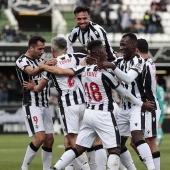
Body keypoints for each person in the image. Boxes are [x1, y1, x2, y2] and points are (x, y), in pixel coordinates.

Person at [37, 40, 155, 170]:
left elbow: (64, 72)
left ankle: (55, 168)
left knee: (78, 148)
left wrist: (43, 66)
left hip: (89, 114)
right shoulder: (106, 73)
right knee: (115, 149)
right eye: (104, 51)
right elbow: (124, 93)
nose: (106, 53)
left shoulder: (83, 68)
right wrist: (142, 103)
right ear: (98, 53)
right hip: (104, 114)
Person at [23, 36, 90, 170]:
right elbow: (90, 56)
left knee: (73, 140)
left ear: (52, 50)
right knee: (80, 139)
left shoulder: (51, 65)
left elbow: (39, 87)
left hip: (68, 106)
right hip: (84, 104)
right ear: (66, 48)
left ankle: (86, 168)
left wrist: (33, 87)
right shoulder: (76, 57)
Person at [98, 33, 156, 170]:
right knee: (117, 143)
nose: (121, 47)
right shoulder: (119, 62)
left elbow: (128, 79)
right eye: (121, 44)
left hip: (139, 105)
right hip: (125, 107)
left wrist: (112, 67)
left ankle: (152, 168)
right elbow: (107, 66)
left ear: (134, 46)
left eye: (125, 45)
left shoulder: (139, 61)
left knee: (136, 135)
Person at [15, 35, 56, 170]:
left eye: (43, 49)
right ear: (31, 48)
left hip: (44, 104)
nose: (42, 51)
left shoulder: (40, 61)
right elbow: (31, 72)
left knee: (49, 140)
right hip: (31, 104)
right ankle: (24, 167)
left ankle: (47, 168)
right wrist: (45, 66)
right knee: (40, 138)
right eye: (40, 49)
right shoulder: (21, 60)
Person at [130, 39, 161, 170]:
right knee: (134, 142)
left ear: (136, 50)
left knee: (150, 141)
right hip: (147, 106)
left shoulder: (145, 64)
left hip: (149, 107)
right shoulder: (149, 62)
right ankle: (151, 167)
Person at [156, 76, 165, 147]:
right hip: (162, 108)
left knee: (157, 125)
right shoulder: (161, 88)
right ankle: (160, 135)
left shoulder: (156, 89)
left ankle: (159, 136)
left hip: (157, 108)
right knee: (160, 124)